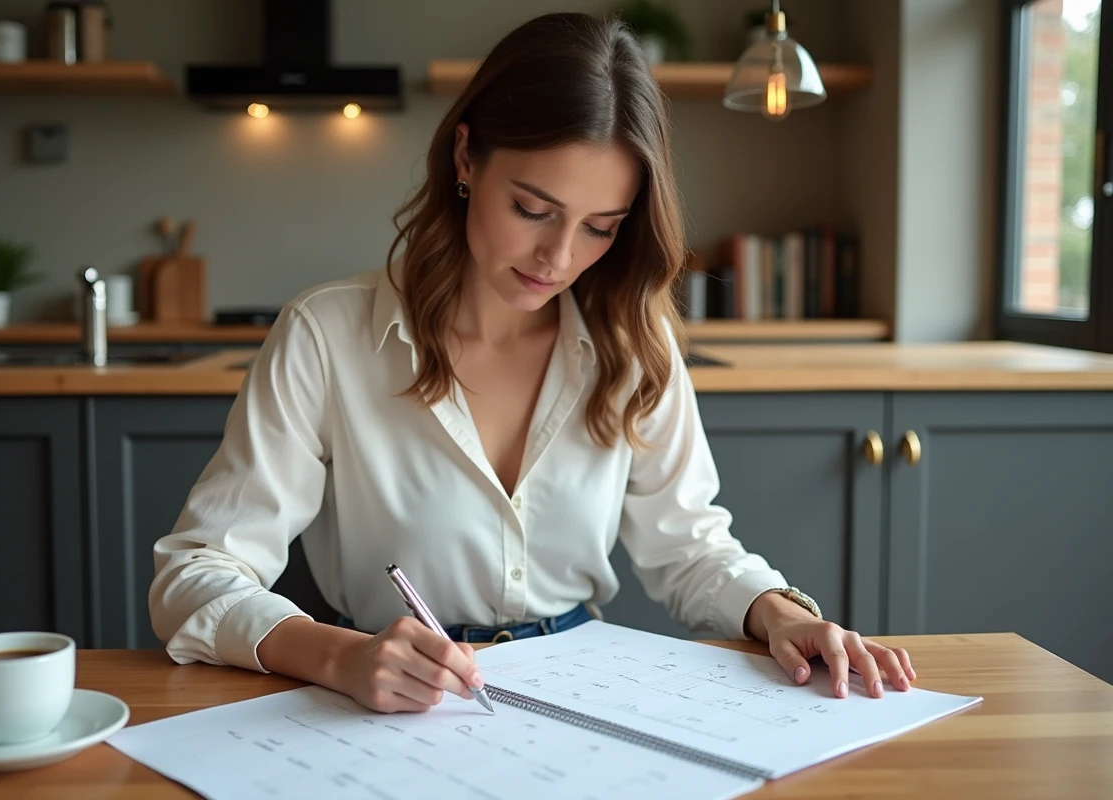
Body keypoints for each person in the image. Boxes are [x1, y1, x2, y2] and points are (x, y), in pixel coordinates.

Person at [149, 11, 915, 715]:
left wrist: (782, 613)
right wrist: (341, 657)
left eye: (600, 228)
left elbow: (687, 546)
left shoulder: (634, 339)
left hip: (583, 699)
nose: (559, 257)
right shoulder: (326, 335)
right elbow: (194, 576)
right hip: (391, 707)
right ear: (466, 156)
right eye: (533, 209)